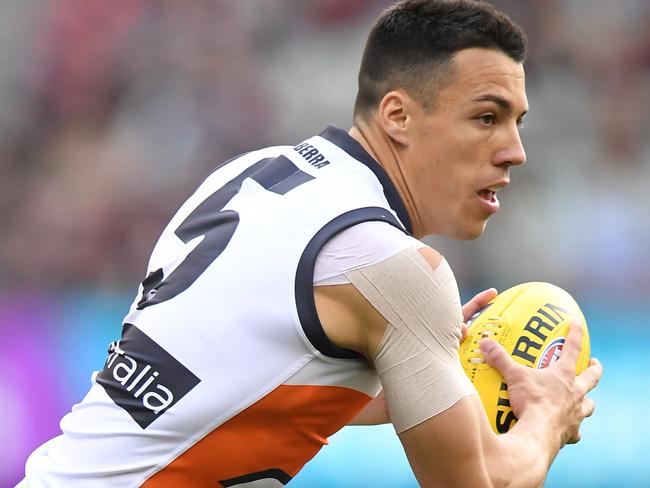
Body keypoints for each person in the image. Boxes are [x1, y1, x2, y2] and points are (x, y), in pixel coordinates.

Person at [19, 1, 602, 487]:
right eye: (486, 117)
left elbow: (224, 385)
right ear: (397, 115)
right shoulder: (394, 269)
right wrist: (549, 415)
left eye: (517, 121)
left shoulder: (251, 173)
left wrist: (420, 372)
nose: (514, 150)